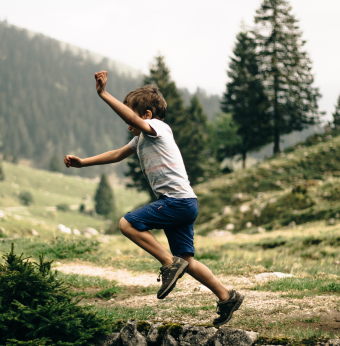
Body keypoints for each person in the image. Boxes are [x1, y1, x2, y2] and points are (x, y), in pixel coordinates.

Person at [64, 71, 243, 326]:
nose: (128, 121)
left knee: (127, 224)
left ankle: (169, 263)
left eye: (133, 114)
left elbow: (129, 118)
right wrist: (84, 163)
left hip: (176, 201)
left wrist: (103, 94)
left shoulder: (157, 128)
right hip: (185, 202)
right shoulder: (141, 139)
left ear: (146, 115)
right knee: (188, 262)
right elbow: (116, 154)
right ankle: (227, 296)